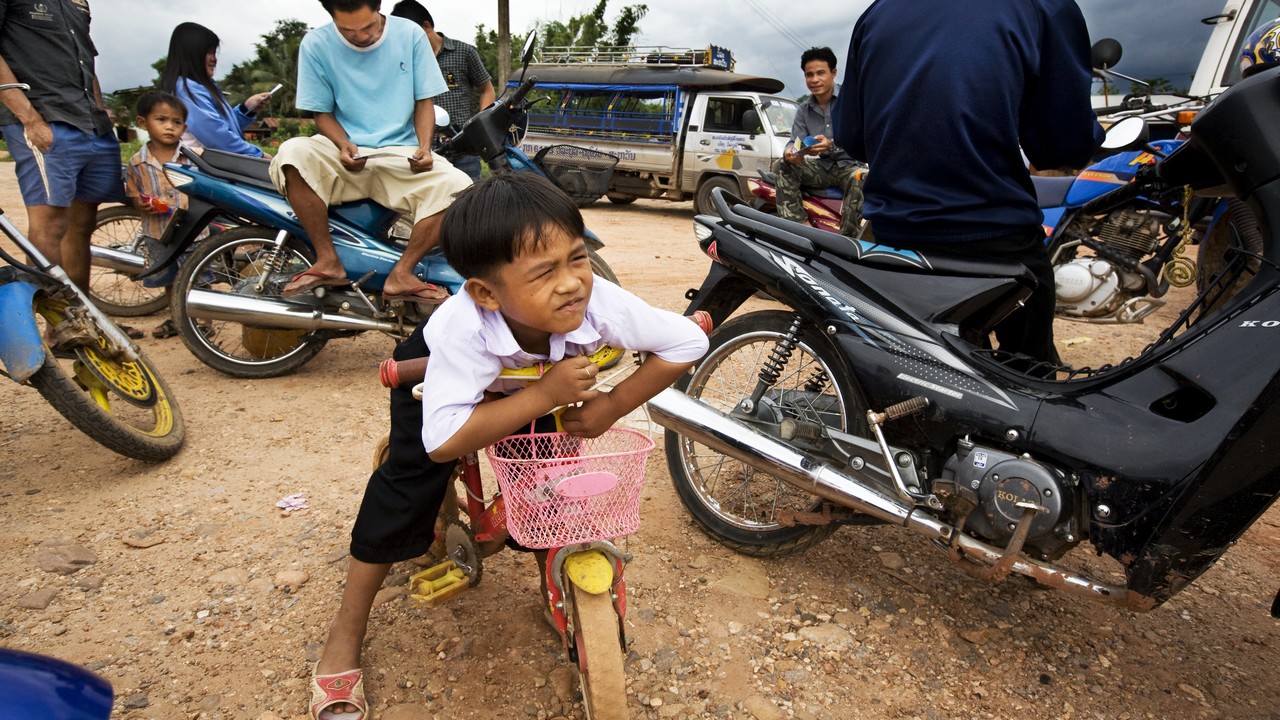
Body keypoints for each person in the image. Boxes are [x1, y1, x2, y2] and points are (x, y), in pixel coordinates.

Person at [307, 172, 708, 720]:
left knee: (552, 487)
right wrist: (546, 391)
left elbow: (688, 340)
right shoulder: (461, 328)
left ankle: (557, 584)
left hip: (537, 387)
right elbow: (445, 438)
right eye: (544, 272)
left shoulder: (600, 305)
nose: (571, 283)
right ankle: (344, 635)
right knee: (410, 483)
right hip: (448, 388)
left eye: (578, 258)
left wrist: (612, 405)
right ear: (487, 292)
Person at [835, 0, 1104, 365]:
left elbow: (851, 136)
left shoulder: (876, 13)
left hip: (896, 235)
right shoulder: (1044, 6)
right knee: (1031, 385)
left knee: (910, 372)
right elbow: (1060, 146)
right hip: (996, 236)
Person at [271, 0, 470, 301]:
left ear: (379, 8)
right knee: (291, 153)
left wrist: (425, 148)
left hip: (400, 154)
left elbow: (423, 102)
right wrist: (342, 143)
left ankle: (403, 273)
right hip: (343, 153)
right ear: (332, 19)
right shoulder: (316, 43)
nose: (361, 37)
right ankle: (327, 260)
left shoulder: (411, 35)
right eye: (348, 31)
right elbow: (321, 113)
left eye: (368, 27)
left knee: (460, 188)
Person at [0, 0, 125, 295]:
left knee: (81, 226)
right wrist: (29, 119)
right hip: (43, 116)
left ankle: (85, 317)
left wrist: (99, 110)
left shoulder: (78, 2)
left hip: (90, 122)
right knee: (51, 225)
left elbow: (85, 58)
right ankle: (57, 327)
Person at [390, 0, 495, 181]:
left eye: (409, 35)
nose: (405, 42)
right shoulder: (404, 60)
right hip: (423, 151)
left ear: (427, 26)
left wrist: (480, 125)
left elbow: (487, 89)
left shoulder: (463, 52)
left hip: (464, 148)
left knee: (469, 201)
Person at [123, 91, 194, 339]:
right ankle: (177, 318)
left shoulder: (192, 157)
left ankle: (201, 321)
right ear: (143, 123)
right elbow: (133, 192)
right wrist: (141, 204)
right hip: (157, 232)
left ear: (184, 127)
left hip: (192, 230)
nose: (169, 127)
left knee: (195, 276)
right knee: (168, 276)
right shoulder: (137, 162)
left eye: (176, 122)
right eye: (161, 120)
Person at [773, 46, 865, 237]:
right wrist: (791, 153)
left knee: (861, 176)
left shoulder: (852, 100)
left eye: (820, 73)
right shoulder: (803, 109)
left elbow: (865, 139)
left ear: (833, 73)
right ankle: (801, 228)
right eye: (809, 75)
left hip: (849, 166)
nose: (814, 80)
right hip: (820, 168)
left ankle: (847, 239)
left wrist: (833, 144)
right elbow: (793, 143)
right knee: (782, 165)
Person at [162, 22, 272, 158]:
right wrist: (258, 155)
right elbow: (215, 135)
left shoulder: (202, 87)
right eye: (208, 53)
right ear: (191, 54)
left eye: (214, 52)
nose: (214, 59)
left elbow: (223, 126)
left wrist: (246, 110)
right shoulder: (187, 89)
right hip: (205, 170)